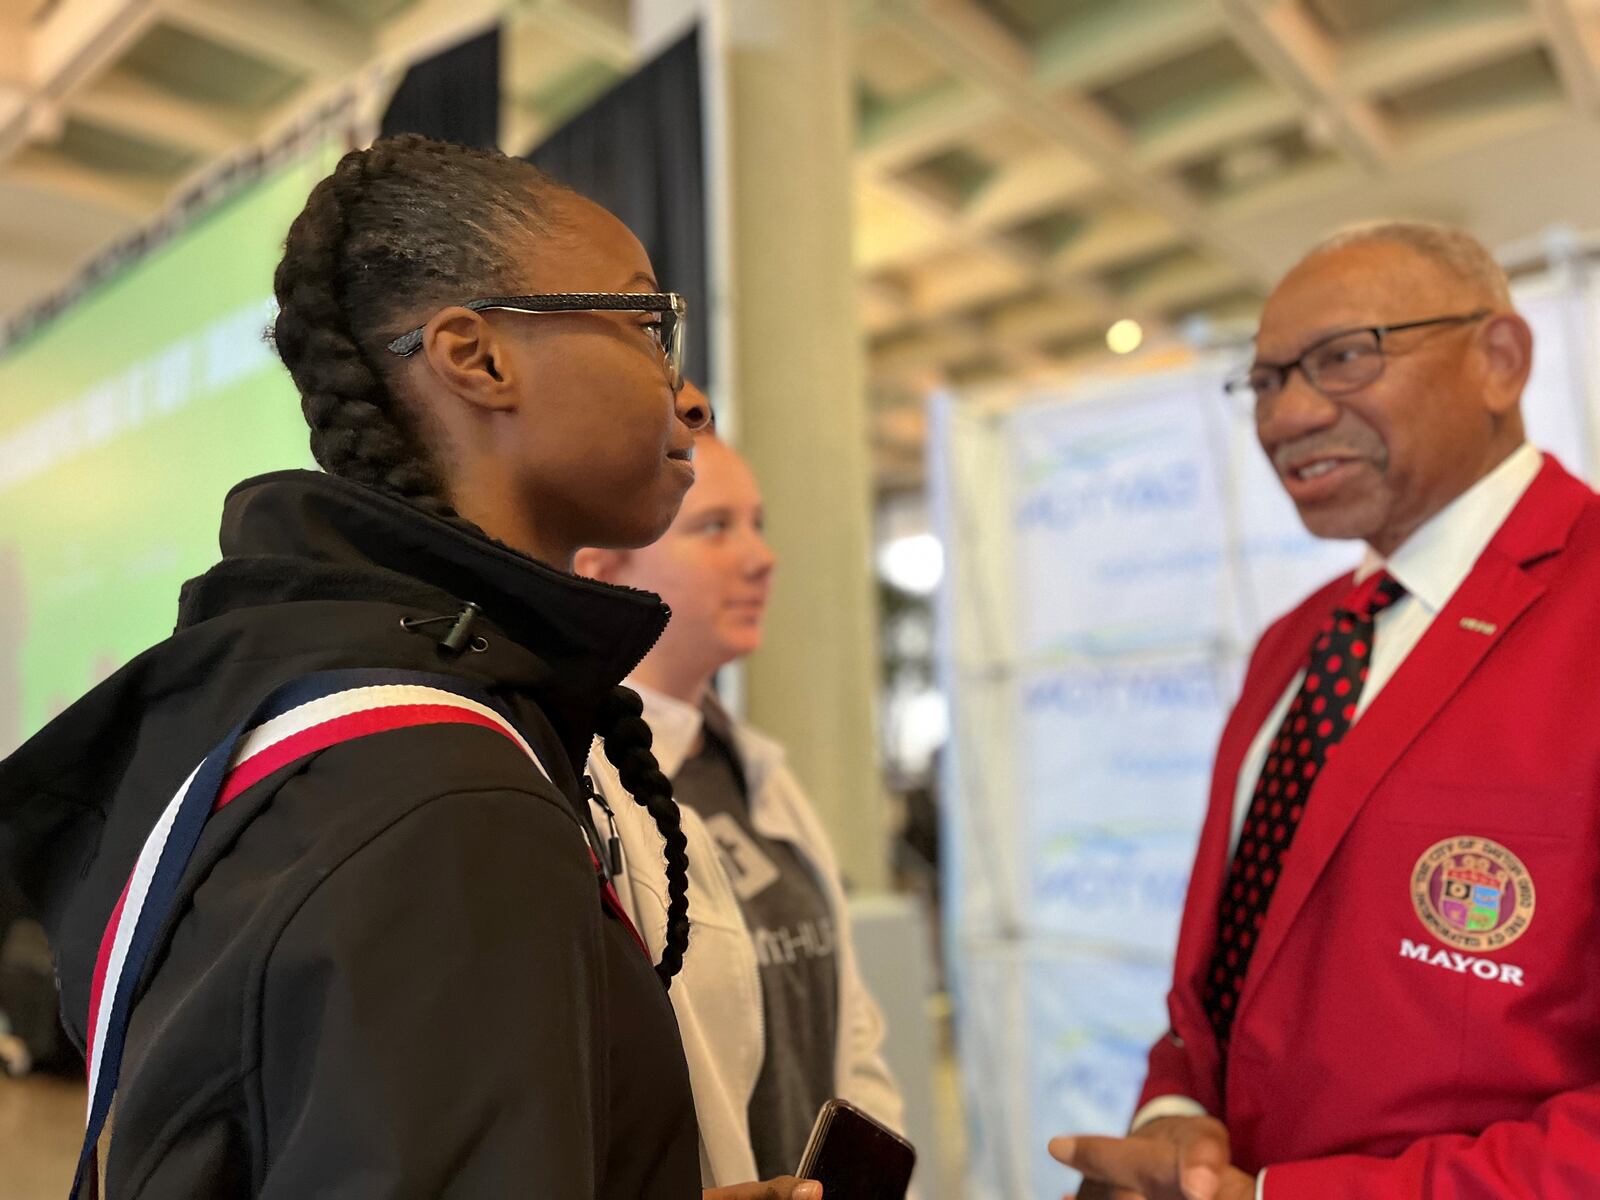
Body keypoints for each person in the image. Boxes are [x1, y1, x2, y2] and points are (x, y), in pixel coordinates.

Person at [0, 135, 713, 1197]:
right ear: (477, 358)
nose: (687, 393)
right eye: (644, 320)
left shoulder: (306, 694)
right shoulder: (441, 792)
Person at [1050, 221, 1600, 1198]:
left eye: (1343, 359)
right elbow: (1230, 974)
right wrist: (1176, 1115)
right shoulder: (1299, 645)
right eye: (1264, 381)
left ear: (1498, 361)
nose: (1286, 416)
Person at [576, 418, 903, 1198]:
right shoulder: (580, 787)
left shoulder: (753, 769)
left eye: (757, 526)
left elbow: (849, 1030)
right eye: (714, 528)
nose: (761, 558)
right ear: (599, 569)